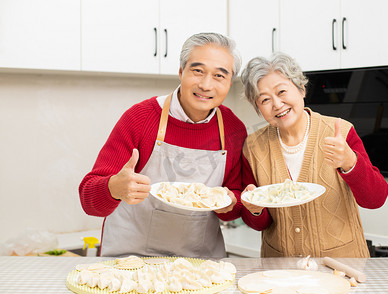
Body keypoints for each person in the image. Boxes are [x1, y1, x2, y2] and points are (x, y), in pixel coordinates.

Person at [79, 32, 265, 258]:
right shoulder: (140, 118)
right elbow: (89, 198)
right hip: (131, 260)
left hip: (199, 264)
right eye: (198, 71)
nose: (206, 85)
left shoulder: (232, 129)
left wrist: (230, 202)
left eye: (219, 76)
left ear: (229, 82)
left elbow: (232, 207)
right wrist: (114, 187)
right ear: (180, 72)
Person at [239, 52, 388, 258]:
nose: (276, 104)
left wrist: (349, 162)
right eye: (265, 100)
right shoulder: (253, 147)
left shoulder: (341, 132)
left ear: (301, 89)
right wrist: (254, 209)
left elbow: (376, 199)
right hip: (280, 271)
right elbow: (260, 223)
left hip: (342, 267)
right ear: (258, 108)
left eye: (282, 91)